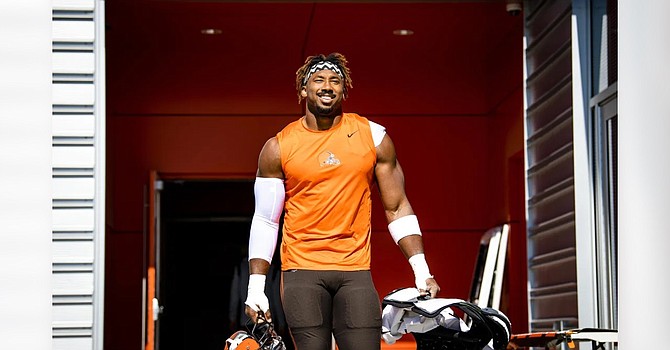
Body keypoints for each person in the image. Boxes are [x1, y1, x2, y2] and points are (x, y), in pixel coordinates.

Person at [244, 52, 441, 350]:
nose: (327, 86)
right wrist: (256, 287)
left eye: (335, 81)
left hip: (355, 270)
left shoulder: (373, 138)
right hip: (302, 272)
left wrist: (422, 271)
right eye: (318, 80)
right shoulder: (278, 147)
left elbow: (397, 207)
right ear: (303, 90)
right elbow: (265, 220)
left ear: (345, 90)